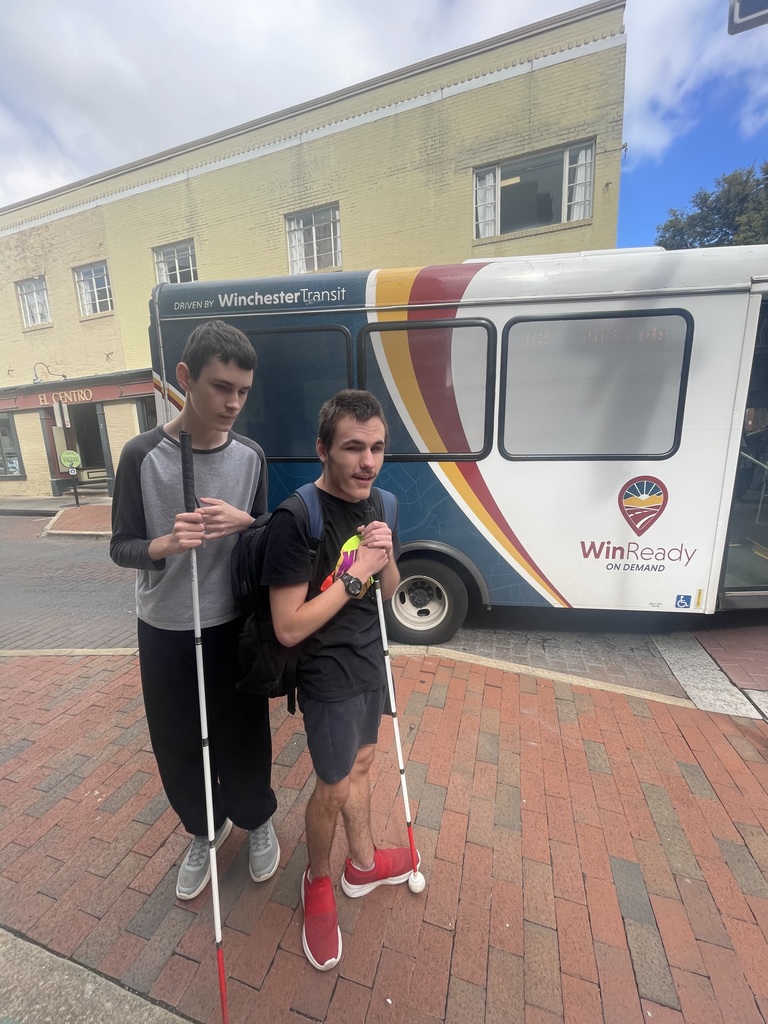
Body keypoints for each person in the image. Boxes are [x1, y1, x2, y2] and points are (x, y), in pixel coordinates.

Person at [110, 320, 279, 900]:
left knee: (244, 732)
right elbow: (121, 546)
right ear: (185, 377)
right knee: (178, 739)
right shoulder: (140, 455)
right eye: (220, 387)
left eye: (243, 391)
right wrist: (163, 544)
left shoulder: (251, 457)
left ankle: (256, 817)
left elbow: (267, 536)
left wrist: (248, 521)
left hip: (232, 622)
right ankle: (205, 828)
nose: (233, 403)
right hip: (165, 626)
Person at [261, 389, 418, 972]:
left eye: (377, 448)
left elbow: (391, 590)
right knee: (331, 785)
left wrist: (384, 554)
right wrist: (354, 576)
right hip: (325, 673)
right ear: (322, 449)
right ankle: (319, 881)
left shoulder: (385, 504)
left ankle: (363, 864)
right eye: (353, 448)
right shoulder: (297, 519)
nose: (367, 462)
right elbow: (288, 627)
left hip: (369, 659)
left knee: (364, 764)